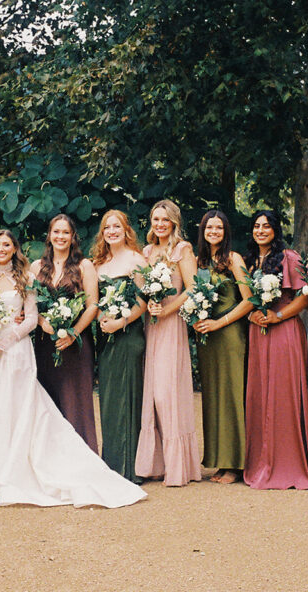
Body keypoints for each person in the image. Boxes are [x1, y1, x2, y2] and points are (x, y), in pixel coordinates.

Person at [0, 230, 145, 507]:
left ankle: (15, 470)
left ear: (15, 248)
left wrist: (3, 343)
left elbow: (32, 317)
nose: (2, 249)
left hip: (13, 352)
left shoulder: (26, 277)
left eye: (7, 245)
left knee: (14, 409)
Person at [243, 210, 308, 489]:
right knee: (259, 394)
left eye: (266, 226)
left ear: (275, 230)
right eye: (257, 226)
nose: (261, 230)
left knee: (283, 394)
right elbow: (244, 299)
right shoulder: (248, 261)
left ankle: (288, 462)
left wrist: (278, 316)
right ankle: (261, 461)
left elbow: (305, 296)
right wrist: (253, 315)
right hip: (258, 331)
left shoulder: (289, 257)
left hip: (283, 330)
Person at [134, 199, 201, 486]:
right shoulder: (146, 251)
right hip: (152, 324)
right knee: (151, 392)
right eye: (155, 219)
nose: (159, 224)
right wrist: (150, 304)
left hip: (172, 324)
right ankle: (155, 463)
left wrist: (167, 309)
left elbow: (193, 288)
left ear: (174, 222)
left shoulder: (182, 249)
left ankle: (179, 466)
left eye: (165, 220)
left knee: (167, 392)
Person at [192, 209, 251, 485]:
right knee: (213, 396)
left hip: (229, 334)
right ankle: (218, 459)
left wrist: (220, 323)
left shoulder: (233, 259)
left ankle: (236, 464)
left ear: (226, 232)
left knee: (231, 394)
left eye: (218, 227)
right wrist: (197, 319)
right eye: (209, 227)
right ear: (202, 231)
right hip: (207, 338)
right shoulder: (199, 261)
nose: (213, 231)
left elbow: (249, 300)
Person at [31, 214, 99, 451]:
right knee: (47, 401)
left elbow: (92, 305)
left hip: (76, 345)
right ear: (49, 236)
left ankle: (82, 459)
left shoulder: (84, 265)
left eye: (65, 232)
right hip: (44, 345)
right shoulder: (36, 267)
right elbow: (29, 306)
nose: (60, 236)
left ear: (73, 237)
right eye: (56, 232)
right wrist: (42, 322)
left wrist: (74, 333)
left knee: (76, 402)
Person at [92, 210, 147, 483]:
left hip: (128, 335)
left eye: (116, 226)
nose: (111, 231)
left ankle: (128, 466)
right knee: (110, 399)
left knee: (127, 397)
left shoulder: (137, 260)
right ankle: (111, 461)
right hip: (105, 336)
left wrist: (120, 322)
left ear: (126, 230)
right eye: (106, 227)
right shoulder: (98, 263)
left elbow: (143, 302)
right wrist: (102, 318)